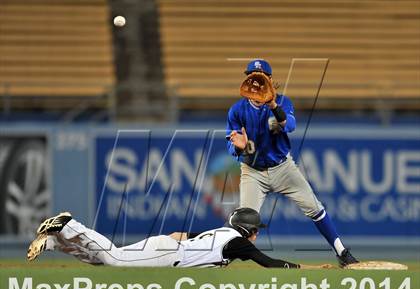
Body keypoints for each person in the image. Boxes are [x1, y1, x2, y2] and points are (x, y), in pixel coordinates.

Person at [226, 59, 358, 267]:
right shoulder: (237, 110)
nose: (256, 81)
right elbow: (231, 147)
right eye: (251, 76)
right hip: (253, 171)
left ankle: (341, 252)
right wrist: (239, 147)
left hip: (283, 168)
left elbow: (290, 125)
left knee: (315, 208)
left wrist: (273, 105)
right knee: (244, 222)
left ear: (269, 79)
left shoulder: (283, 102)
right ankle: (219, 258)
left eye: (261, 77)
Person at [27, 209, 332, 269]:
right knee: (114, 260)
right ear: (247, 230)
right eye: (256, 229)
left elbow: (179, 234)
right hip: (167, 254)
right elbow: (268, 263)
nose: (256, 234)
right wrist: (302, 270)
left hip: (168, 246)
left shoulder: (221, 232)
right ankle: (69, 224)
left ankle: (53, 242)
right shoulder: (238, 242)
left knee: (103, 262)